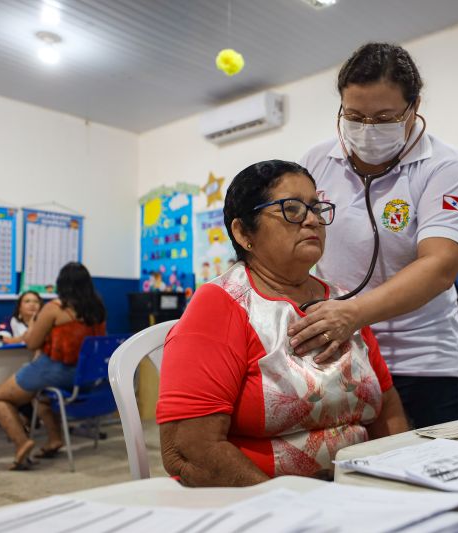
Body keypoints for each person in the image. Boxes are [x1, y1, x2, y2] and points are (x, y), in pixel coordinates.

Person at [157, 160, 408, 487]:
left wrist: (403, 479)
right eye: (291, 209)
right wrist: (284, 507)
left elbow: (388, 407)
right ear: (243, 232)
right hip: (263, 502)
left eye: (316, 208)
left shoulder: (344, 303)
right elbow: (191, 449)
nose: (313, 220)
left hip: (360, 491)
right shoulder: (222, 304)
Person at [293, 42, 458, 428]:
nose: (367, 129)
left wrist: (353, 313)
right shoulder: (315, 161)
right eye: (354, 115)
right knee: (343, 476)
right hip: (341, 356)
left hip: (422, 364)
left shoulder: (448, 168)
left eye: (384, 118)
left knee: (418, 480)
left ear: (414, 107)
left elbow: (439, 266)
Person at [0, 262, 107, 470]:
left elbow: (32, 343)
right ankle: (54, 440)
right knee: (42, 398)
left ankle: (22, 442)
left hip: (55, 370)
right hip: (86, 377)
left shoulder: (55, 308)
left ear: (61, 284)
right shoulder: (98, 310)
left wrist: (34, 324)